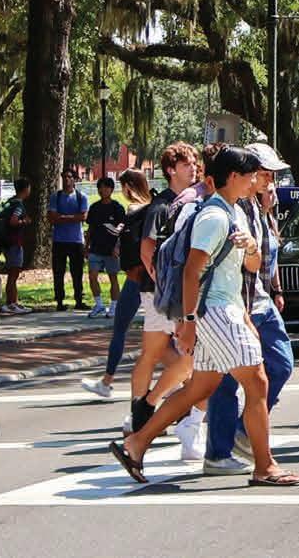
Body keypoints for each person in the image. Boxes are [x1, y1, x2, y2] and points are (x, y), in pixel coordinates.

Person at [109, 146, 299, 486]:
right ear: (234, 177)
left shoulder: (236, 212)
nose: (256, 181)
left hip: (226, 308)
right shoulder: (214, 217)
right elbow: (191, 272)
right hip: (213, 311)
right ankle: (264, 465)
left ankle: (136, 443)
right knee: (257, 382)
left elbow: (249, 268)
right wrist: (188, 323)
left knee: (200, 387)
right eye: (250, 175)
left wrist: (251, 249)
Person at [202, 145, 298, 475]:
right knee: (225, 381)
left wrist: (275, 290)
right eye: (264, 173)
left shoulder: (258, 205)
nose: (270, 180)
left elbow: (262, 258)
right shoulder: (233, 207)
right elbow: (226, 264)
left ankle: (244, 431)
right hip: (236, 303)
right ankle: (219, 451)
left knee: (280, 364)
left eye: (272, 175)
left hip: (259, 299)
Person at [106, 145, 197, 446]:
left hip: (164, 292)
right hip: (162, 293)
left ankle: (142, 413)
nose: (193, 168)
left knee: (159, 354)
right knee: (185, 357)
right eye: (186, 164)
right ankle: (147, 408)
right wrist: (165, 284)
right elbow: (147, 249)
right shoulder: (162, 205)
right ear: (171, 170)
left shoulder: (188, 201)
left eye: (194, 163)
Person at [81, 171, 153, 398]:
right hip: (153, 277)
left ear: (129, 187)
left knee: (122, 329)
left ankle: (107, 380)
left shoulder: (134, 210)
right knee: (162, 336)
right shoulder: (155, 208)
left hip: (136, 277)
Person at [48, 168, 89, 311]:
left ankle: (79, 300)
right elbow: (52, 217)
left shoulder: (81, 197)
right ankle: (59, 301)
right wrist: (72, 217)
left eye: (70, 177)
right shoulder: (56, 197)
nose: (67, 179)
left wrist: (62, 217)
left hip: (76, 241)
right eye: (64, 177)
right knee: (58, 272)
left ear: (74, 179)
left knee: (77, 272)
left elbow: (83, 217)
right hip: (59, 240)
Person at [84, 175, 124, 318]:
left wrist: (117, 247)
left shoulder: (117, 208)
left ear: (111, 189)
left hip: (111, 250)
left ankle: (114, 306)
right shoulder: (94, 207)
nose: (103, 190)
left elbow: (122, 230)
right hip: (95, 248)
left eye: (106, 187)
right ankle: (99, 305)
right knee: (92, 276)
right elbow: (90, 228)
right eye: (100, 188)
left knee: (113, 277)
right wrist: (86, 246)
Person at [0, 177, 34, 312]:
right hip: (14, 242)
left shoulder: (10, 202)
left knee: (14, 273)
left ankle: (14, 301)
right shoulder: (18, 205)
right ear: (26, 189)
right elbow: (13, 221)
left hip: (6, 241)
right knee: (14, 273)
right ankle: (10, 303)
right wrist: (24, 221)